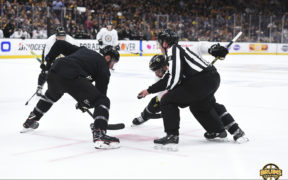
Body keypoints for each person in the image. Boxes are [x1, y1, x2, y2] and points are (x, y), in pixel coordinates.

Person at [137, 29, 244, 146]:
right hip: (211, 78)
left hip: (201, 80)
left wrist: (168, 91)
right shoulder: (181, 51)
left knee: (167, 100)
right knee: (200, 105)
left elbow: (174, 76)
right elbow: (168, 78)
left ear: (165, 43)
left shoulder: (173, 50)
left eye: (160, 43)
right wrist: (148, 90)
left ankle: (172, 135)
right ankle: (227, 130)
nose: (159, 46)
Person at [21, 41, 121, 149]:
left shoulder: (84, 50)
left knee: (51, 96)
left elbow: (60, 44)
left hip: (55, 71)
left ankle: (31, 120)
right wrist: (87, 104)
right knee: (103, 101)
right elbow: (100, 95)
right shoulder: (103, 67)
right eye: (114, 62)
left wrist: (49, 62)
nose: (112, 66)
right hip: (72, 76)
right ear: (107, 58)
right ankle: (99, 134)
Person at [36, 26, 79, 96]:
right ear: (56, 36)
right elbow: (46, 54)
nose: (61, 38)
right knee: (45, 72)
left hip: (67, 57)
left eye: (63, 36)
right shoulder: (50, 41)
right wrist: (44, 63)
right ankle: (39, 88)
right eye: (59, 36)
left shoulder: (72, 41)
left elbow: (77, 53)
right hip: (54, 56)